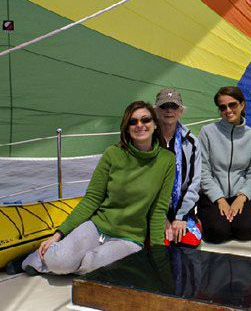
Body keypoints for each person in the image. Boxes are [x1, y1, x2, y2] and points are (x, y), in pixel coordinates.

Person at [18, 101, 174, 275]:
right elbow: (91, 199)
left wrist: (158, 257)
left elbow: (158, 212)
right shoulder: (113, 154)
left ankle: (63, 259)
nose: (140, 125)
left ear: (155, 124)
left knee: (92, 264)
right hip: (97, 227)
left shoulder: (166, 160)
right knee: (60, 262)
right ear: (127, 128)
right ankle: (42, 256)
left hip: (129, 239)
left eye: (145, 120)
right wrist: (57, 235)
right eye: (133, 121)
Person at [197, 86, 251, 243]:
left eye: (232, 105)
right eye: (223, 107)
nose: (228, 110)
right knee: (218, 233)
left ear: (242, 105)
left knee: (246, 232)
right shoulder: (207, 132)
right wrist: (220, 199)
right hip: (213, 195)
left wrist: (242, 197)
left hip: (240, 194)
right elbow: (203, 171)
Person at [155, 88, 202, 247]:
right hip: (153, 209)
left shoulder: (191, 142)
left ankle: (193, 221)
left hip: (180, 208)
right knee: (159, 245)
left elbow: (194, 183)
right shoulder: (148, 141)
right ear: (156, 110)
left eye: (173, 106)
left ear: (181, 111)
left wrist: (180, 217)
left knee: (189, 242)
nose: (169, 110)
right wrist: (161, 218)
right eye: (164, 106)